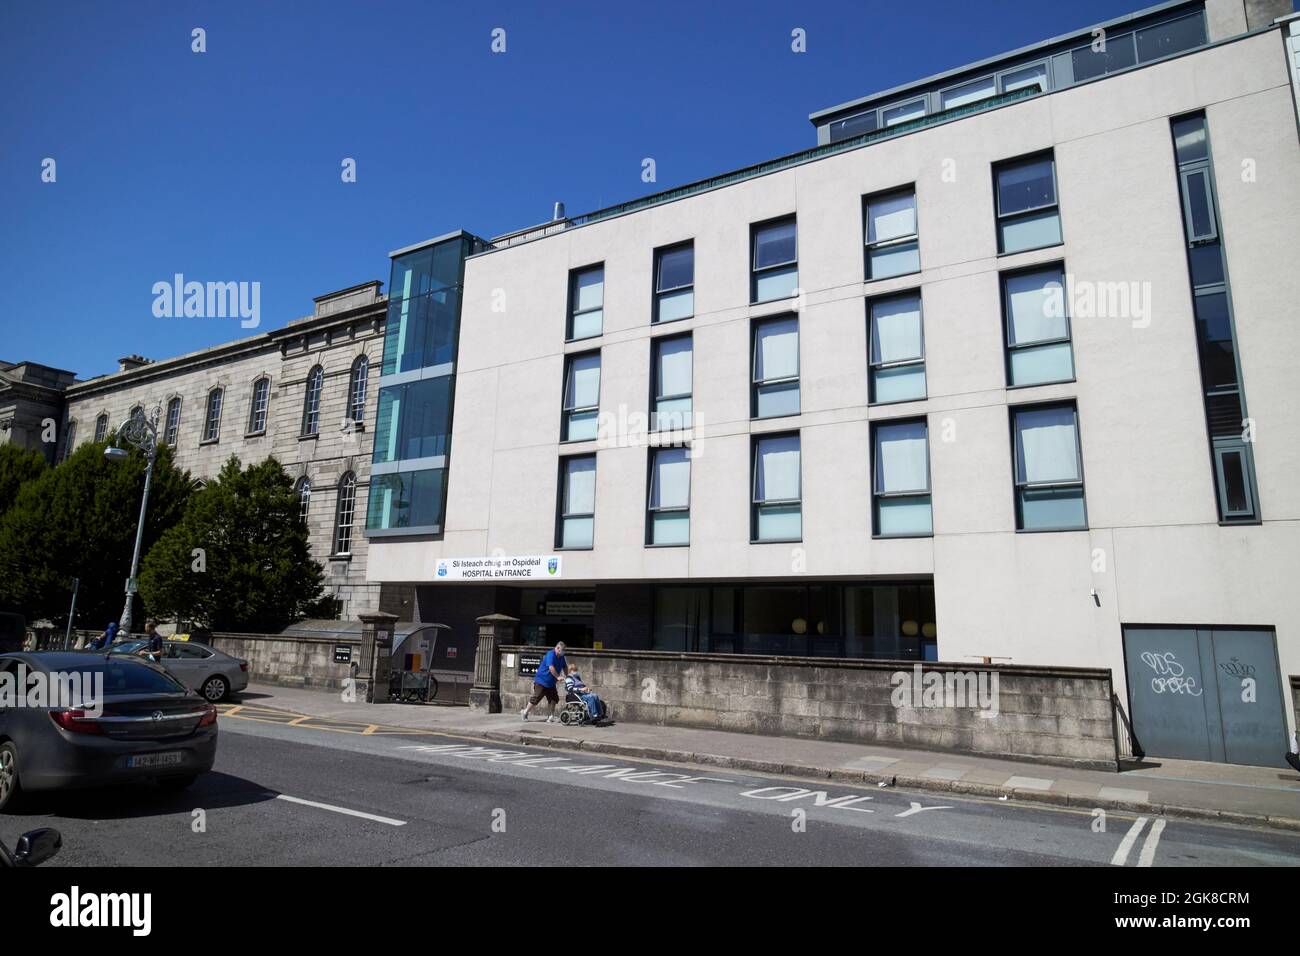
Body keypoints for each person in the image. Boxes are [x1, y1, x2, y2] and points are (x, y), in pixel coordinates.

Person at [521, 641, 567, 722]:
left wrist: (568, 676)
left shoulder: (561, 657)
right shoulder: (551, 654)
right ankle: (525, 712)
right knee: (536, 698)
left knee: (554, 699)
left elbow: (565, 667)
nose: (564, 652)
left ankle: (551, 716)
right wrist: (558, 677)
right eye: (563, 650)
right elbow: (551, 667)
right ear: (558, 648)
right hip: (541, 681)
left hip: (551, 683)